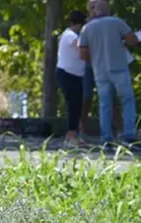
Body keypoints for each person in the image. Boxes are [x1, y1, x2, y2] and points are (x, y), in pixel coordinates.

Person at [78, 0, 139, 145]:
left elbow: (83, 54)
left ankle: (106, 138)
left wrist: (96, 58)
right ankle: (129, 135)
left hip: (99, 70)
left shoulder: (86, 28)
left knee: (105, 104)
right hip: (118, 67)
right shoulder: (116, 22)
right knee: (127, 101)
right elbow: (133, 40)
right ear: (107, 9)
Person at [56, 10, 87, 144]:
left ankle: (72, 135)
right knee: (73, 105)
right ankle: (71, 136)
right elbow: (81, 46)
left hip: (75, 75)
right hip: (67, 74)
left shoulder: (72, 34)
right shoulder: (69, 35)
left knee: (77, 105)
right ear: (80, 24)